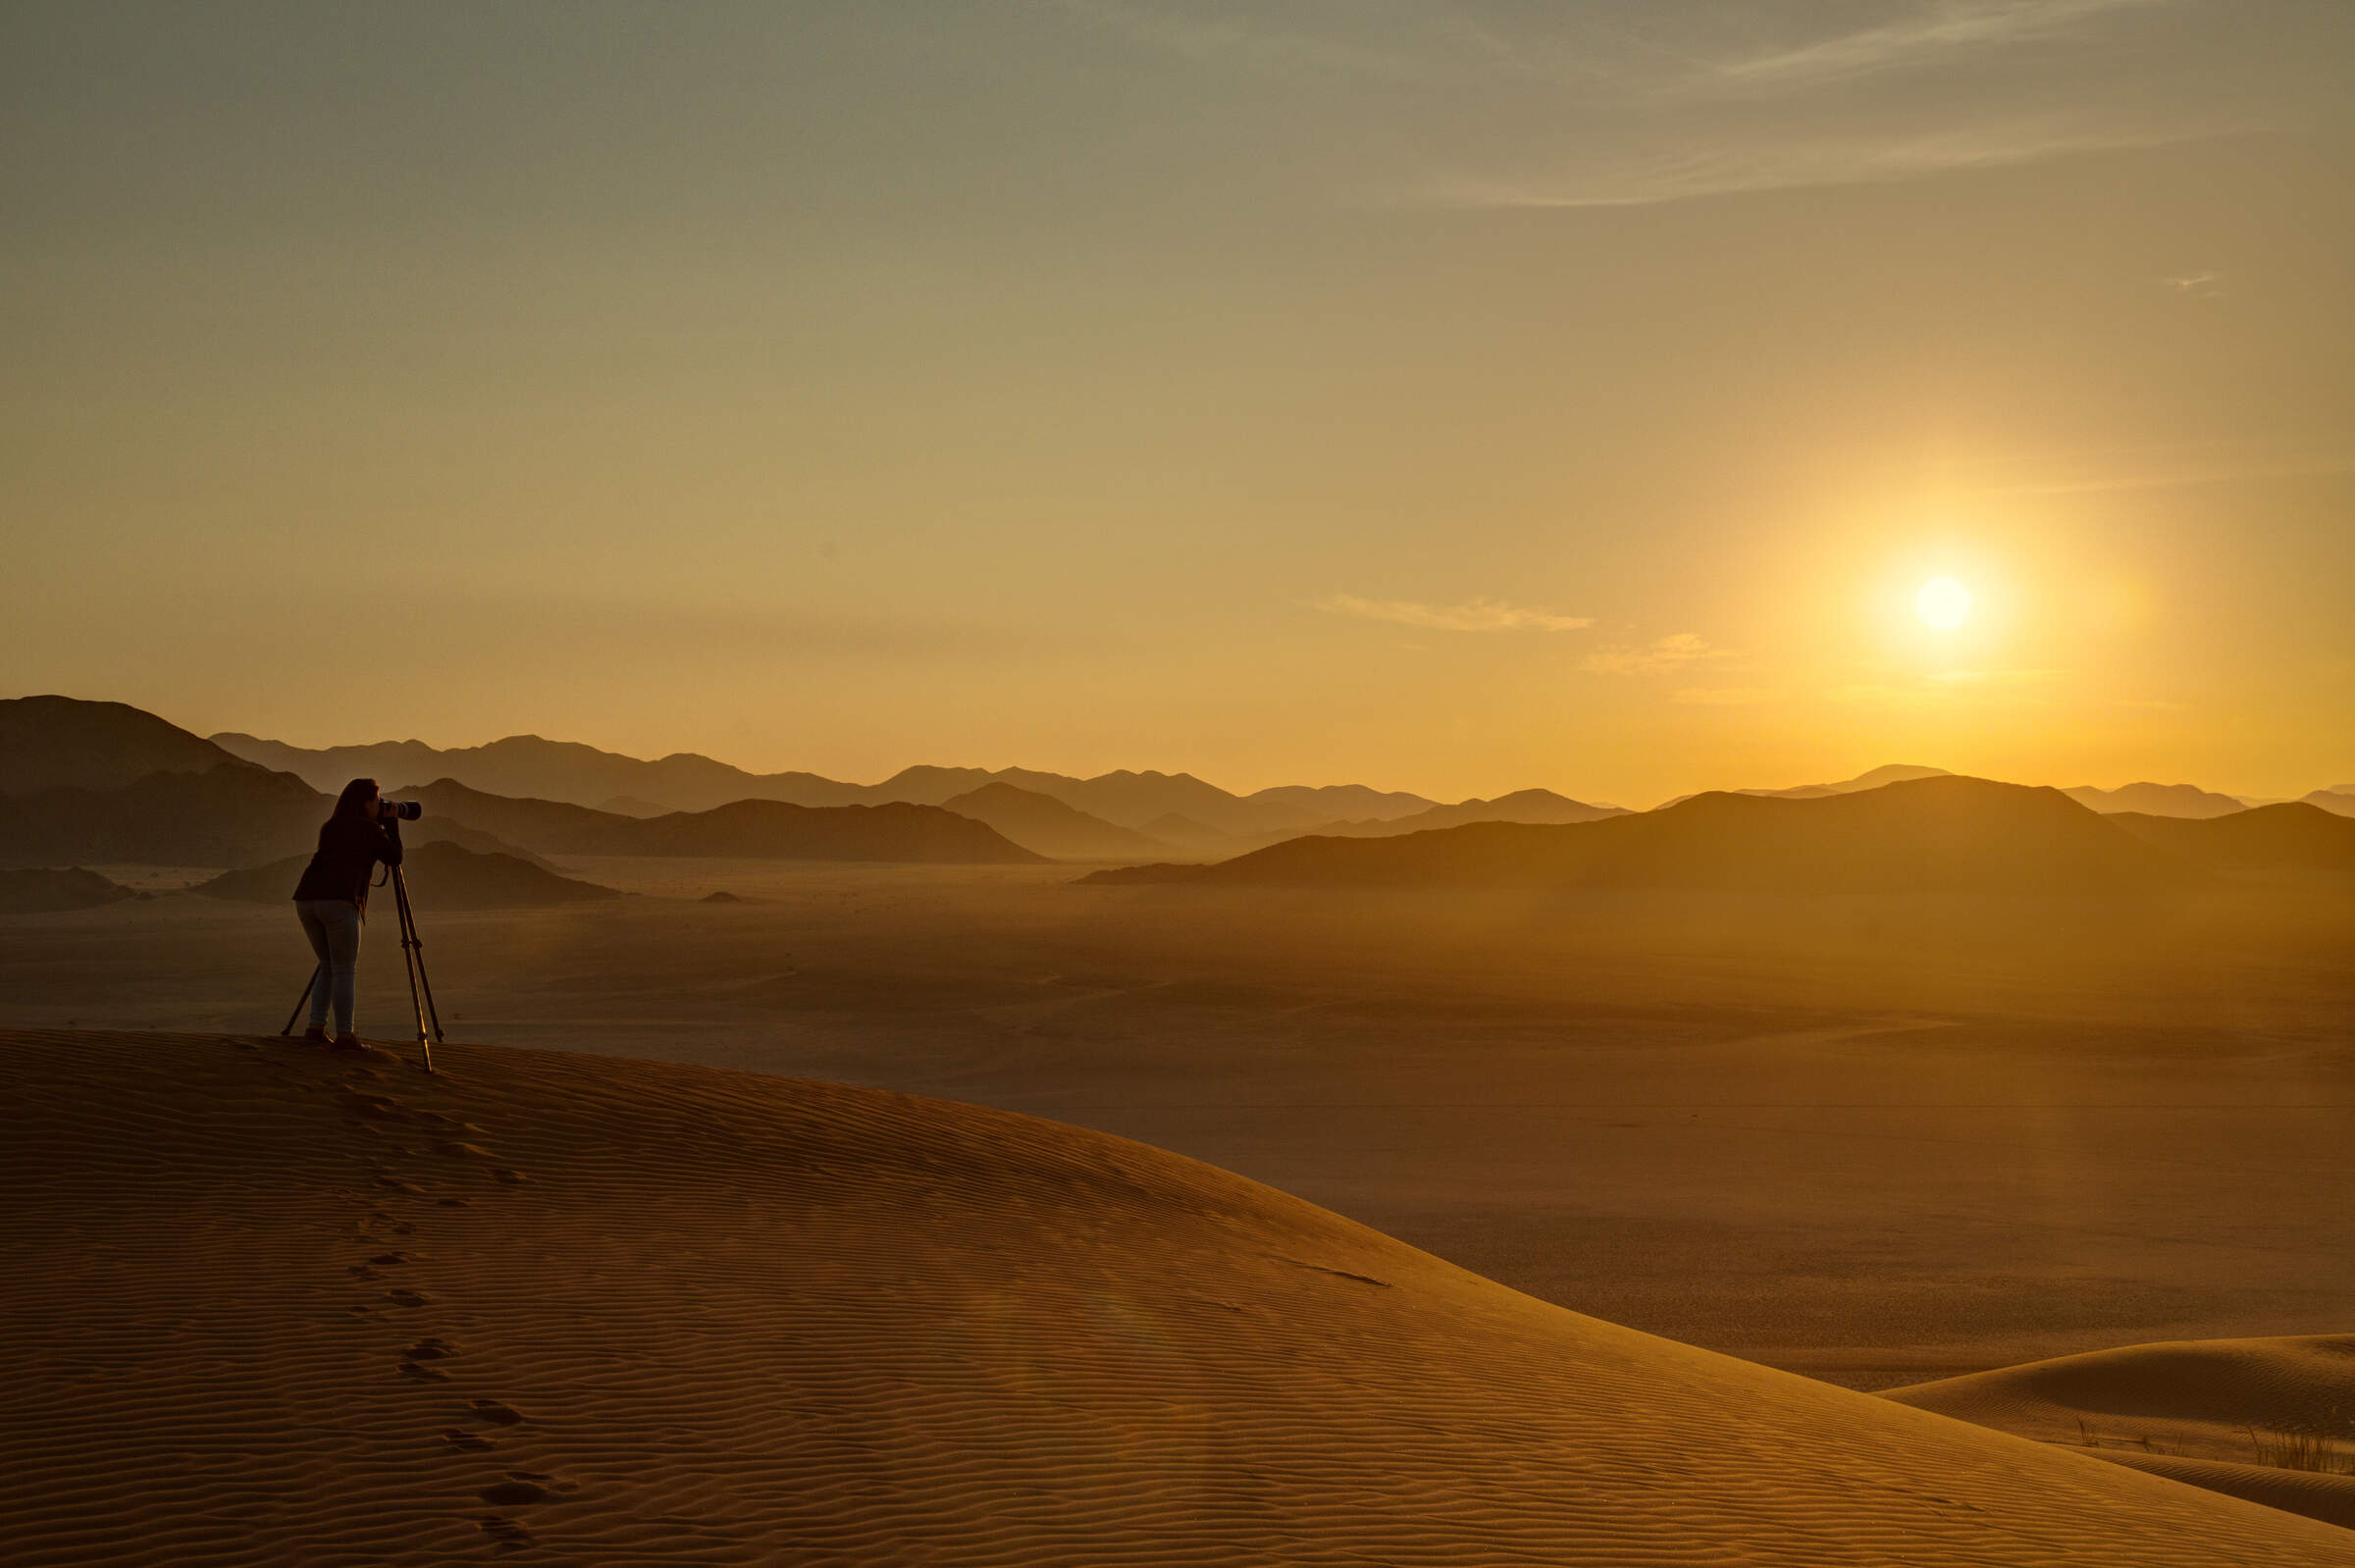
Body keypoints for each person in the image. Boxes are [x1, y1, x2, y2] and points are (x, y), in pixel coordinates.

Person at [290, 777, 403, 1050]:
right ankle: (345, 1036)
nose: (380, 805)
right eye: (377, 801)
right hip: (339, 901)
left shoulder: (331, 826)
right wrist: (393, 824)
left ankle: (316, 1027)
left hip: (307, 899)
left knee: (328, 965)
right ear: (366, 803)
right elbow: (394, 857)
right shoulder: (367, 829)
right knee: (344, 970)